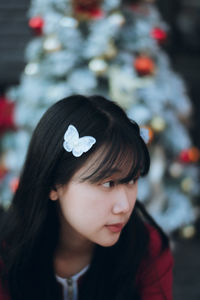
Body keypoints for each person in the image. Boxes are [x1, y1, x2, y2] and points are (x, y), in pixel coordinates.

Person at [0, 95, 174, 300]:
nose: (125, 206)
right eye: (108, 183)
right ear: (53, 184)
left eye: (132, 180)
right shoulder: (6, 255)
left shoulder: (147, 250)